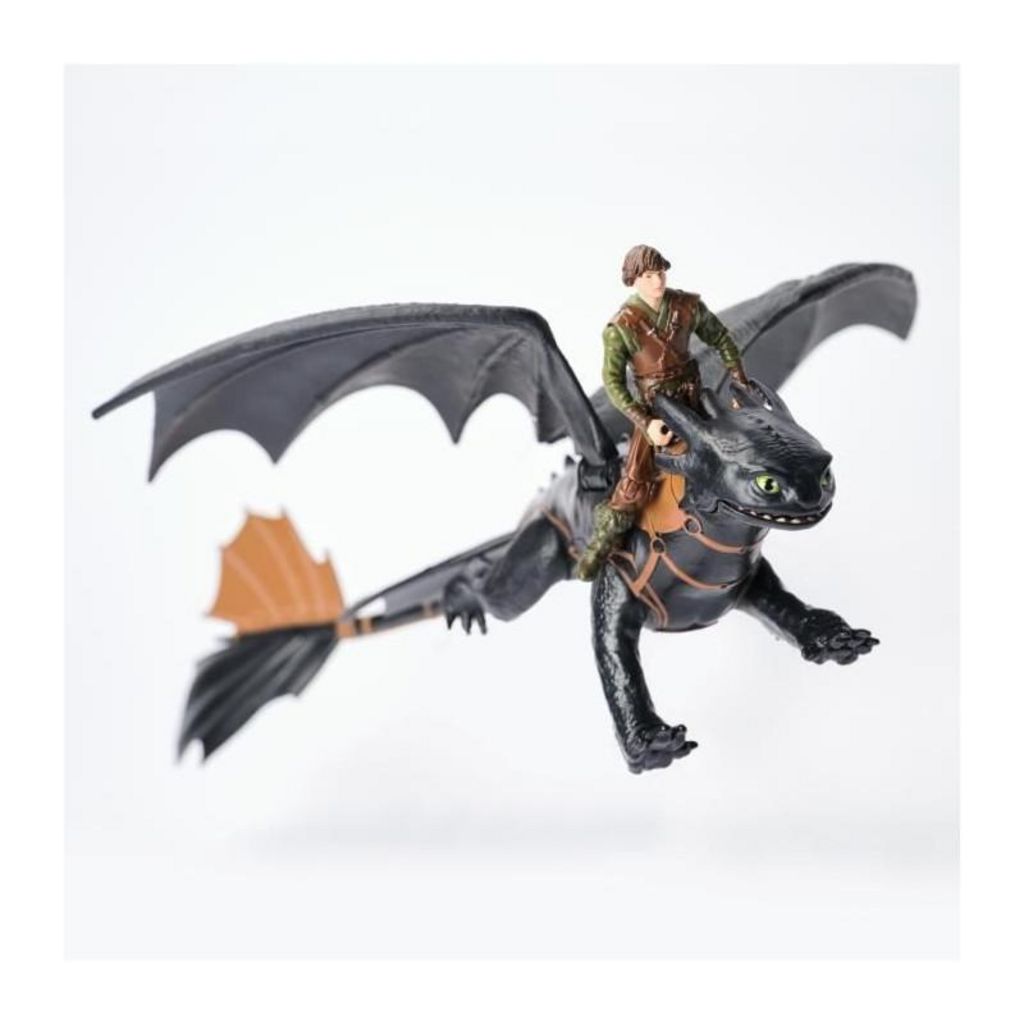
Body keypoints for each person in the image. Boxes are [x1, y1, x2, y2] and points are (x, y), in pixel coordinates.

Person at [575, 244, 751, 581]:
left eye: (660, 273)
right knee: (633, 484)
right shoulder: (622, 327)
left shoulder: (686, 306)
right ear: (633, 280)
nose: (657, 281)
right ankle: (600, 546)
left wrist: (740, 381)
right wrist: (646, 423)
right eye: (648, 275)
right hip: (656, 411)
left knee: (734, 448)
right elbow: (613, 382)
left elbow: (721, 338)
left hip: (694, 399)